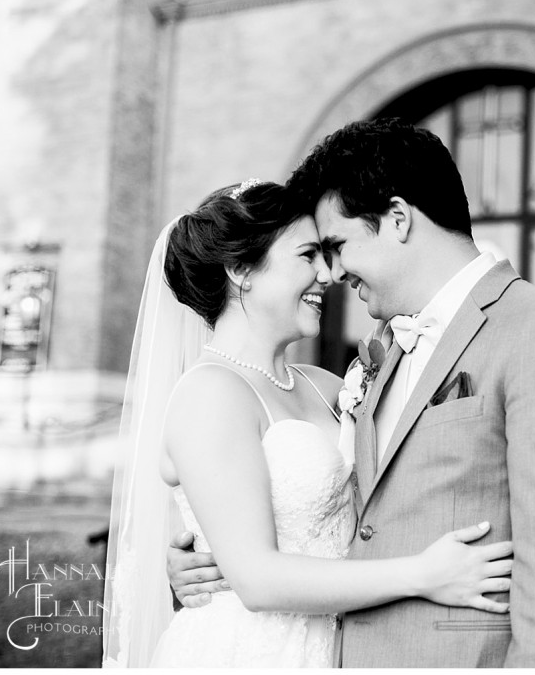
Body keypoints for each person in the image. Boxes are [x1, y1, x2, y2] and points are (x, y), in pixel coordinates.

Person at [168, 118, 535, 667]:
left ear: (399, 219)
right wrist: (200, 560)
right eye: (312, 255)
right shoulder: (382, 351)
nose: (331, 274)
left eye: (334, 247)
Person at [102, 179, 513, 668]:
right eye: (307, 256)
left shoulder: (323, 383)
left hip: (341, 643)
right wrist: (423, 574)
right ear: (240, 270)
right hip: (252, 652)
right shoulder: (209, 393)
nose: (328, 273)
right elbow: (256, 580)